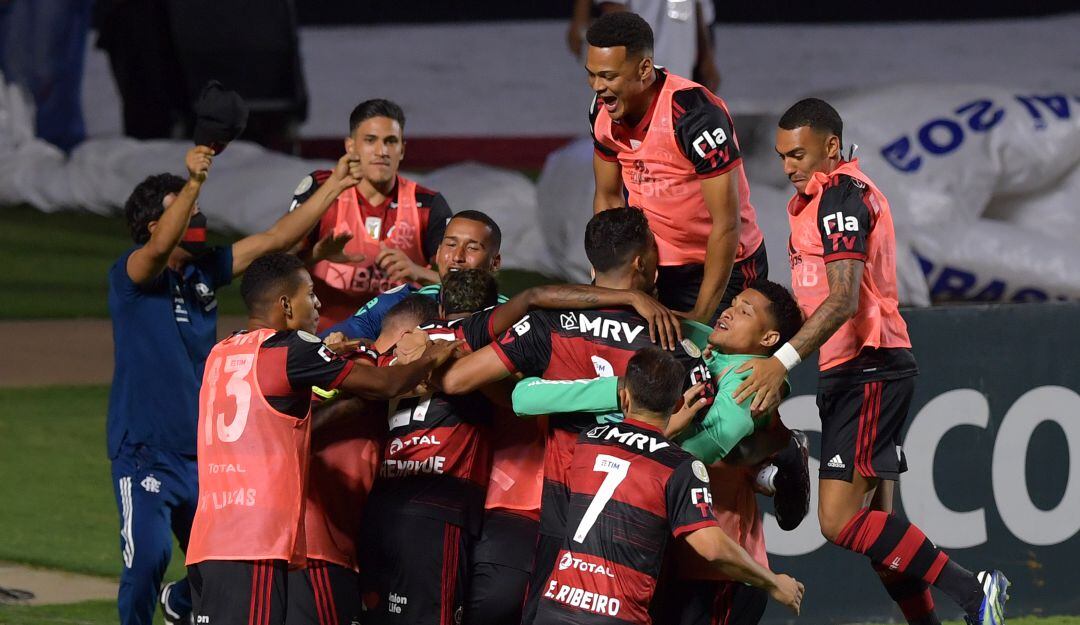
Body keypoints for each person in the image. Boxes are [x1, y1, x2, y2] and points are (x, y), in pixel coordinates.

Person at [733, 98, 1009, 625]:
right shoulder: (821, 198)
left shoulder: (841, 196)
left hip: (869, 366)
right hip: (857, 368)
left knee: (837, 523)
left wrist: (781, 362)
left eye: (798, 154)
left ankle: (975, 591)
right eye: (781, 155)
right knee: (883, 538)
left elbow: (841, 299)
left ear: (831, 147)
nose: (787, 166)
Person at [106, 146, 361, 625]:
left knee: (214, 562)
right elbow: (158, 251)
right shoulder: (132, 276)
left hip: (205, 456)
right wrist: (194, 181)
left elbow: (276, 237)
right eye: (186, 211)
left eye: (198, 209)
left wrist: (337, 184)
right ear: (151, 227)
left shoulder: (203, 275)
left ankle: (179, 604)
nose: (198, 219)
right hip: (144, 449)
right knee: (148, 559)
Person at [431, 207, 713, 624]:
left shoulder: (549, 325)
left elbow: (456, 381)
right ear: (641, 262)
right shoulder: (670, 338)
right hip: (637, 524)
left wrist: (535, 396)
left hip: (563, 512)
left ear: (591, 262)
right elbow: (706, 434)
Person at [512, 281, 808, 625]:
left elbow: (701, 450)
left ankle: (782, 456)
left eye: (745, 311)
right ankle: (775, 460)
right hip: (667, 551)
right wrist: (633, 301)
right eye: (735, 303)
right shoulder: (703, 345)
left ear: (768, 339)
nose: (728, 311)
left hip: (719, 569)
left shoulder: (750, 379)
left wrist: (639, 427)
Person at [185, 253, 459, 625]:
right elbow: (387, 384)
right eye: (309, 294)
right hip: (256, 542)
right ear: (285, 304)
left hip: (207, 540)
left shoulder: (221, 352)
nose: (318, 304)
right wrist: (432, 356)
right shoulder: (292, 349)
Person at [586, 11, 765, 324]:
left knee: (713, 366)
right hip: (654, 267)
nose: (597, 87)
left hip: (723, 267)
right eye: (592, 75)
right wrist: (607, 267)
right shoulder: (601, 113)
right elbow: (608, 198)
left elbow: (726, 224)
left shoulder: (695, 116)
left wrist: (701, 317)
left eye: (609, 76)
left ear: (644, 69)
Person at [289, 99, 453, 330]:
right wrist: (315, 255)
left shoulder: (427, 205)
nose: (381, 151)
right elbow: (276, 270)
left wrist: (418, 273)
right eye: (370, 140)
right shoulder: (322, 190)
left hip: (399, 347)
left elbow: (466, 286)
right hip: (324, 342)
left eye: (390, 141)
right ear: (350, 146)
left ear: (402, 149)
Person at [321, 210, 505, 340]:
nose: (457, 257)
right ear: (439, 252)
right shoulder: (401, 301)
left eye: (472, 248)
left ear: (495, 263)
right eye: (450, 244)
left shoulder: (510, 316)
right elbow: (340, 335)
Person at [566, 0, 720, 92]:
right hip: (642, 72)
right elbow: (615, 12)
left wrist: (707, 59)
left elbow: (699, 8)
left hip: (681, 68)